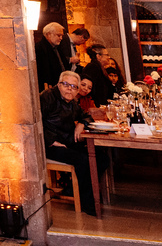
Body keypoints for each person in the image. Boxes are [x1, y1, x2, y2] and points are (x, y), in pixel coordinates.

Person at [41, 70, 102, 216]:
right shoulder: (47, 97)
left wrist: (82, 123)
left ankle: (75, 188)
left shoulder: (72, 102)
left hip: (67, 141)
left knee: (101, 157)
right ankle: (87, 202)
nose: (70, 89)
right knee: (83, 160)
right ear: (59, 84)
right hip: (50, 145)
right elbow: (34, 121)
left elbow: (87, 116)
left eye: (74, 87)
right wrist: (50, 141)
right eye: (66, 85)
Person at [36, 22, 76, 91]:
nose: (61, 38)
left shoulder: (57, 47)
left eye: (61, 36)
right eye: (58, 35)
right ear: (48, 34)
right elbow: (43, 70)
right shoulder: (40, 48)